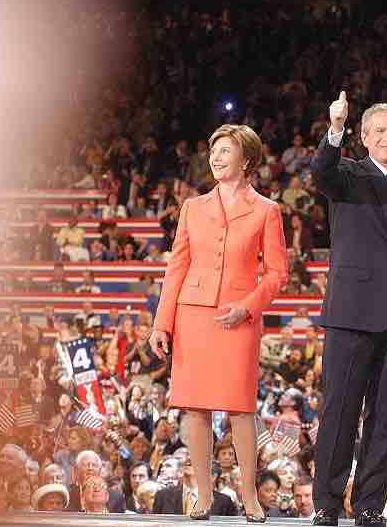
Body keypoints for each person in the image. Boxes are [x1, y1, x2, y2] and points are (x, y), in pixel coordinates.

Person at [150, 124, 288, 522]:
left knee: (240, 408)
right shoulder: (193, 207)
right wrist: (162, 323)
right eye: (214, 151)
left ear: (246, 160)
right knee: (195, 408)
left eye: (225, 151)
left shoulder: (267, 210)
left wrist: (248, 307)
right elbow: (176, 267)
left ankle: (250, 496)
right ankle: (204, 496)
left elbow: (278, 273)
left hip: (238, 319)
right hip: (192, 314)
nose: (216, 158)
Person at [310, 92, 387, 527]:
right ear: (364, 136)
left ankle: (371, 504)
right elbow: (320, 171)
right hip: (351, 315)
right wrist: (334, 127)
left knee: (386, 416)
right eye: (379, 130)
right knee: (339, 411)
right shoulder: (347, 174)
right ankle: (326, 503)